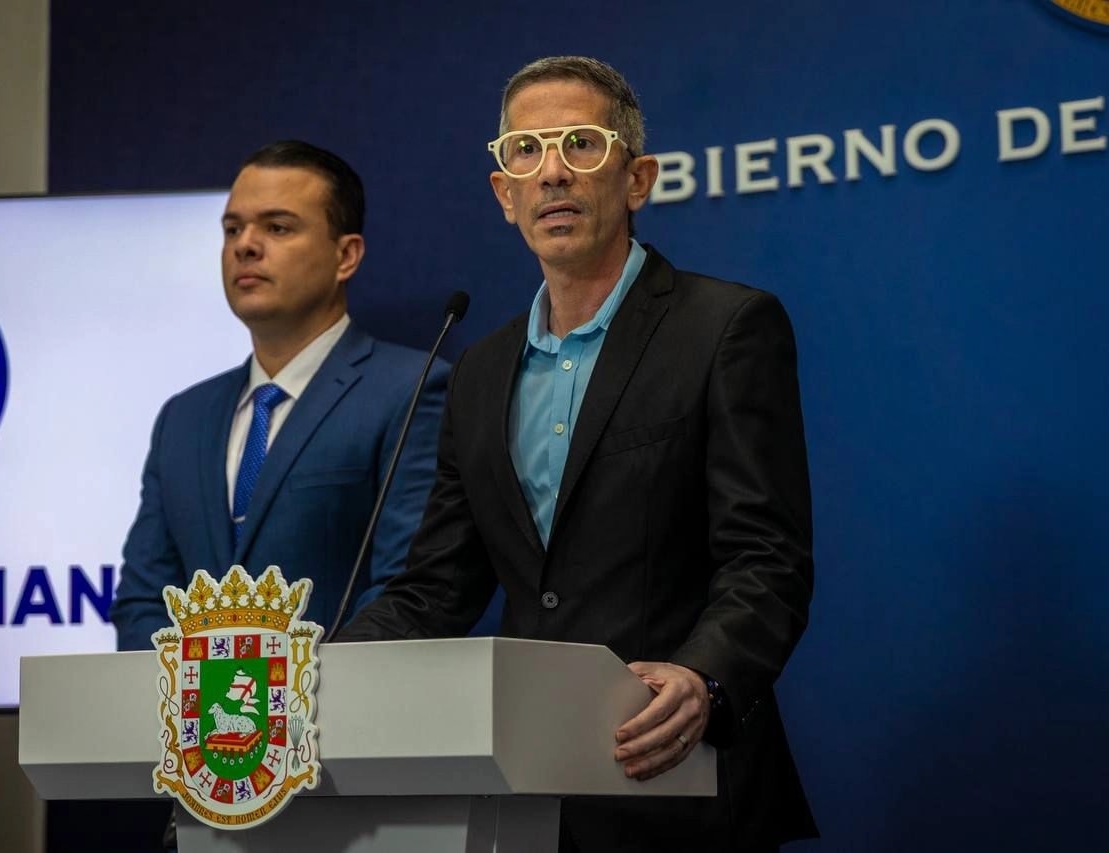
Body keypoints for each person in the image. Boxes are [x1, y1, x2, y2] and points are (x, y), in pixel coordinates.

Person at [337, 57, 817, 852]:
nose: (553, 171)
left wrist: (704, 675)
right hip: (530, 797)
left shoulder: (725, 328)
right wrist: (311, 670)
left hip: (680, 780)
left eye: (582, 145)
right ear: (504, 194)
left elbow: (767, 557)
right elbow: (437, 588)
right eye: (525, 151)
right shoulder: (480, 372)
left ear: (637, 180)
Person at [111, 140, 448, 651]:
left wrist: (288, 701)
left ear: (346, 255)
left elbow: (407, 586)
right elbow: (143, 601)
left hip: (342, 718)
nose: (245, 245)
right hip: (198, 727)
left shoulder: (411, 389)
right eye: (232, 229)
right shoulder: (184, 417)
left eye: (277, 227)